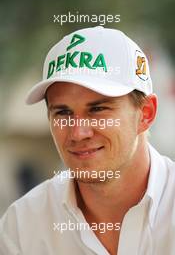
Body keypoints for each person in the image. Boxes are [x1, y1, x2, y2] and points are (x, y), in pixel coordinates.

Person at [0, 26, 175, 255]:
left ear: (146, 114)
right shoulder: (22, 225)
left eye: (98, 109)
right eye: (62, 113)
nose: (78, 133)